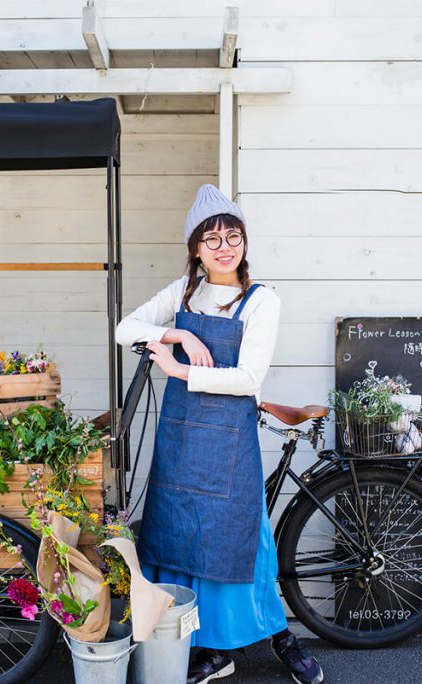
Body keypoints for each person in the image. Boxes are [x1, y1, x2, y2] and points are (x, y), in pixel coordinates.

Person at [116, 184, 324, 684]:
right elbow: (126, 327)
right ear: (196, 249)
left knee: (239, 541)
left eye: (233, 236)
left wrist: (180, 370)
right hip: (182, 440)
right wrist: (178, 335)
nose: (224, 246)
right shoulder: (184, 293)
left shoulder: (260, 301)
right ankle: (203, 646)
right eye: (212, 239)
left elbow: (248, 379)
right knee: (180, 537)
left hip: (229, 443)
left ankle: (276, 638)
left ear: (244, 243)